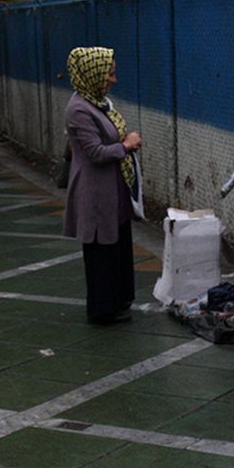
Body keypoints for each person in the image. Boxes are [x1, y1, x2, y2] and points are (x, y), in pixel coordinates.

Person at [62, 46, 142, 325]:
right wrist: (126, 145)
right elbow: (95, 153)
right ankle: (102, 309)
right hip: (96, 192)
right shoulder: (79, 110)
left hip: (112, 191)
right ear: (92, 73)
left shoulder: (97, 102)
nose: (113, 80)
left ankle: (119, 300)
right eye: (109, 74)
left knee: (117, 246)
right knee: (101, 251)